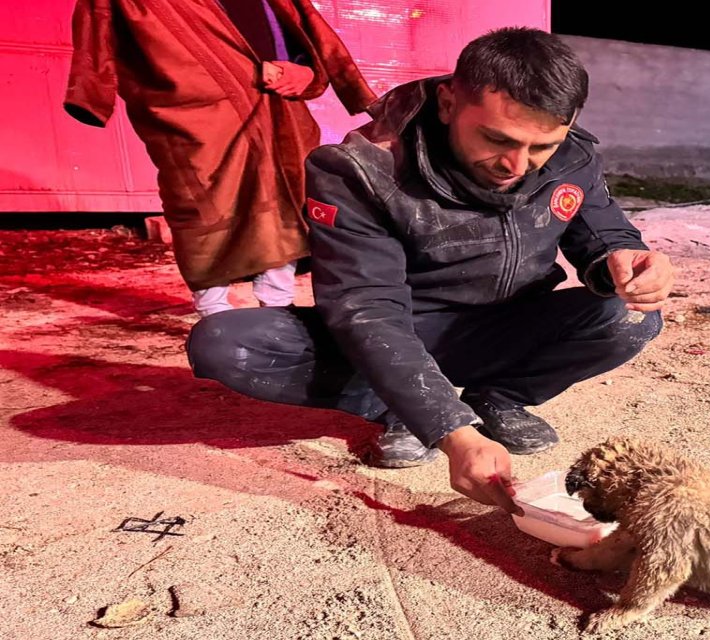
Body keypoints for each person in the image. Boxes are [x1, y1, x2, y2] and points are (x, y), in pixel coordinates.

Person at [186, 27, 675, 514]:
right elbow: (367, 307)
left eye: (540, 147)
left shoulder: (571, 155)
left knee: (628, 315)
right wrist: (449, 431)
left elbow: (603, 230)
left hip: (504, 327)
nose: (517, 164)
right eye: (496, 138)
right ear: (447, 103)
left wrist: (626, 260)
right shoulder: (361, 169)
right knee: (226, 343)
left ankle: (498, 398)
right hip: (398, 330)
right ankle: (399, 406)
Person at [64, 0, 377, 317]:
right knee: (203, 206)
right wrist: (91, 94)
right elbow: (103, 32)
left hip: (279, 111)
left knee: (282, 200)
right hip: (195, 121)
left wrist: (308, 71)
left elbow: (300, 35)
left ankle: (279, 310)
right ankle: (215, 316)